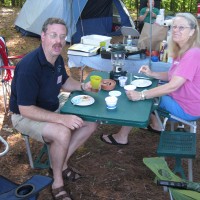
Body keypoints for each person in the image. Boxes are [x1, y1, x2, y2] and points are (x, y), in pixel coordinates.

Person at [9, 18, 97, 200]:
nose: (58, 41)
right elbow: (25, 109)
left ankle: (60, 163)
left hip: (51, 107)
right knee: (62, 132)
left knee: (90, 122)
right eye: (53, 35)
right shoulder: (29, 67)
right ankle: (57, 182)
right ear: (43, 36)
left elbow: (64, 81)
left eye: (62, 37)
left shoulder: (57, 59)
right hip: (25, 115)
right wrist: (61, 119)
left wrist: (82, 86)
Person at [100, 12, 200, 145]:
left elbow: (173, 85)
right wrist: (153, 74)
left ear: (192, 31)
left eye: (181, 27)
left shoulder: (192, 54)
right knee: (149, 88)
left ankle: (121, 137)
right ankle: (157, 125)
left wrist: (141, 95)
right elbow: (173, 75)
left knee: (142, 97)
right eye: (174, 27)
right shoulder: (183, 50)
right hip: (179, 99)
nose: (176, 30)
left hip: (186, 107)